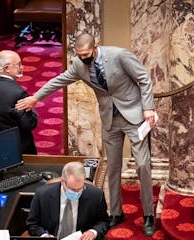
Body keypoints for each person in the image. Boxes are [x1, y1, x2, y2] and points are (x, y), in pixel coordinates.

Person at [16, 33, 156, 236]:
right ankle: (116, 212)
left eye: (86, 54)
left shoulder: (120, 56)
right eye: (80, 55)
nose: (83, 58)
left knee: (142, 164)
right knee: (113, 165)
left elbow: (144, 78)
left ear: (95, 47)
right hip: (110, 119)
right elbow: (59, 80)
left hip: (134, 115)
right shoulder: (79, 64)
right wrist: (36, 98)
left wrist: (148, 108)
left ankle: (148, 215)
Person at [26, 161, 109, 240]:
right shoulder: (42, 194)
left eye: (80, 189)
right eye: (72, 189)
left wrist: (93, 232)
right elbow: (32, 224)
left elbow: (104, 221)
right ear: (62, 181)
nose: (76, 193)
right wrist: (43, 235)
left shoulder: (96, 195)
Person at [0, 50, 38, 154]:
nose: (22, 67)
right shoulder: (18, 93)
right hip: (17, 149)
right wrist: (33, 112)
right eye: (19, 64)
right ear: (7, 69)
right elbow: (29, 124)